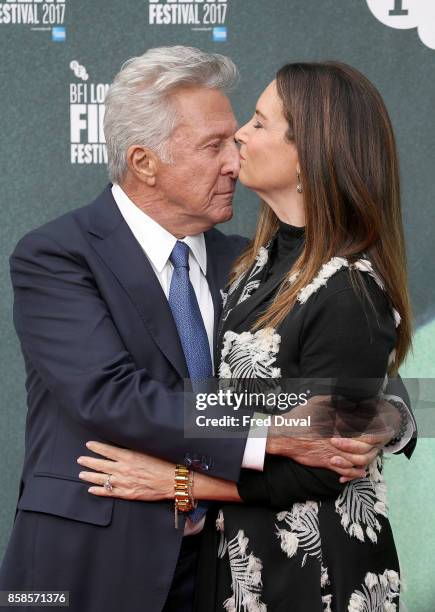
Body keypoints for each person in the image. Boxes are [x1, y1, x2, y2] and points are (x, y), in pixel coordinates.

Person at [0, 48, 415, 612]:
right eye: (213, 144)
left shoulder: (251, 264)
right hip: (94, 560)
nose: (235, 155)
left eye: (239, 133)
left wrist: (382, 410)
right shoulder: (56, 256)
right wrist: (273, 433)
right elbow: (112, 396)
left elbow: (348, 359)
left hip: (230, 566)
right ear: (144, 162)